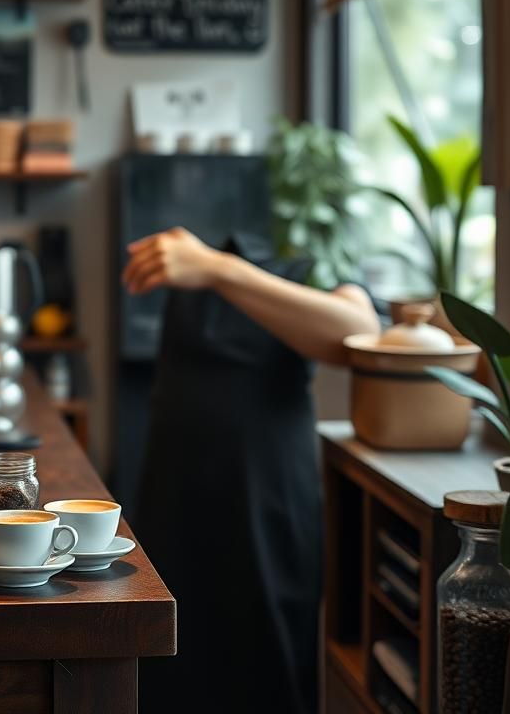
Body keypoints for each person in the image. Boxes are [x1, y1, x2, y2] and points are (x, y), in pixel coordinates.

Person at [122, 227, 379, 714]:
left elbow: (357, 334)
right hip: (176, 497)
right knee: (174, 657)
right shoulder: (182, 283)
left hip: (269, 498)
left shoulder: (309, 263)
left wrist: (218, 270)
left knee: (266, 655)